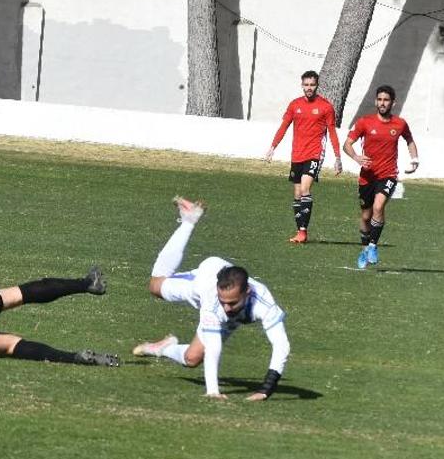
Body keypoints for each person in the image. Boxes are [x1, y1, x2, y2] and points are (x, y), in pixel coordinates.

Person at [132, 197, 290, 400]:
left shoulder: (264, 303)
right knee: (155, 286)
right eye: (223, 301)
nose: (226, 307)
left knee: (192, 358)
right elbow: (214, 346)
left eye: (232, 302)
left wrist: (265, 389)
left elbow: (281, 344)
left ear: (247, 292)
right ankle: (189, 221)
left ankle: (162, 348)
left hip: (219, 290)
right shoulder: (213, 299)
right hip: (203, 281)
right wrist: (213, 392)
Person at [344, 84, 417, 269]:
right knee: (366, 216)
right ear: (376, 101)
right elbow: (348, 144)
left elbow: (409, 139)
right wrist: (356, 157)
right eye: (380, 100)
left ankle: (373, 246)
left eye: (386, 100)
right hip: (367, 177)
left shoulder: (400, 124)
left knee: (378, 207)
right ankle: (364, 249)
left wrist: (414, 159)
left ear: (393, 102)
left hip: (388, 175)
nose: (382, 103)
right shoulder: (364, 122)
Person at [265, 70, 343, 243]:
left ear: (317, 85)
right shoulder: (294, 105)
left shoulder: (325, 107)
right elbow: (284, 126)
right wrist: (272, 147)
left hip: (314, 154)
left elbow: (332, 132)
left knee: (305, 189)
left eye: (312, 85)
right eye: (306, 85)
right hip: (297, 154)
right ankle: (300, 231)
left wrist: (338, 157)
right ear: (302, 85)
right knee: (297, 194)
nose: (309, 88)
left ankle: (303, 232)